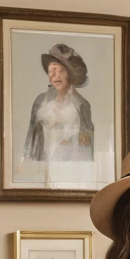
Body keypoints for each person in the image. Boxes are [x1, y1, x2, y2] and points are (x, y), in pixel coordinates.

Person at [22, 44, 94, 172]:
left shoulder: (82, 105)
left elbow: (86, 147)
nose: (56, 76)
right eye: (52, 71)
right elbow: (31, 140)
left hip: (71, 168)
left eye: (61, 71)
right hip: (42, 166)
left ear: (69, 75)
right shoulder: (40, 102)